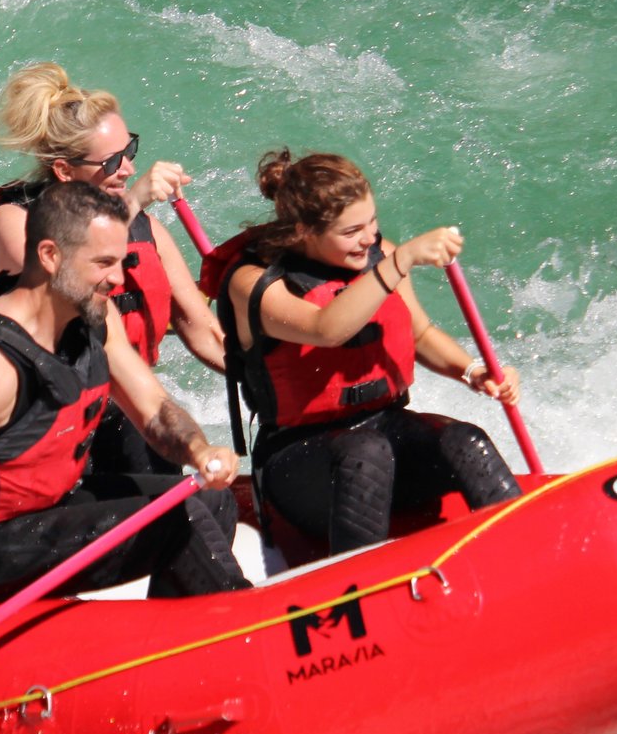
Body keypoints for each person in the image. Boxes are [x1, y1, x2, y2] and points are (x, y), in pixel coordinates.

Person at [0, 181, 249, 677]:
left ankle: (174, 654)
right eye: (103, 264)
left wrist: (198, 449)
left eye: (120, 262)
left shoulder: (92, 318)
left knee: (210, 500)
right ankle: (244, 644)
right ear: (49, 255)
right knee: (175, 525)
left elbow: (154, 409)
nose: (118, 278)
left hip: (41, 508)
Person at [200, 149, 521, 563]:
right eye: (351, 231)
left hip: (385, 433)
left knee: (466, 440)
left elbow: (420, 333)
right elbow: (326, 329)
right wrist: (401, 260)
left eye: (371, 222)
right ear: (304, 231)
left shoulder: (377, 253)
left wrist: (473, 371)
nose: (369, 238)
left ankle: (524, 553)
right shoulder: (254, 283)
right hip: (301, 468)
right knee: (365, 452)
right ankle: (361, 585)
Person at [0, 62, 225, 474]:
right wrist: (133, 203)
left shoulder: (147, 229)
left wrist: (271, 375)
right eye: (111, 161)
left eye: (130, 151)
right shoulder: (12, 221)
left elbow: (201, 328)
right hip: (47, 417)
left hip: (130, 407)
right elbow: (63, 281)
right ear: (64, 171)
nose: (128, 169)